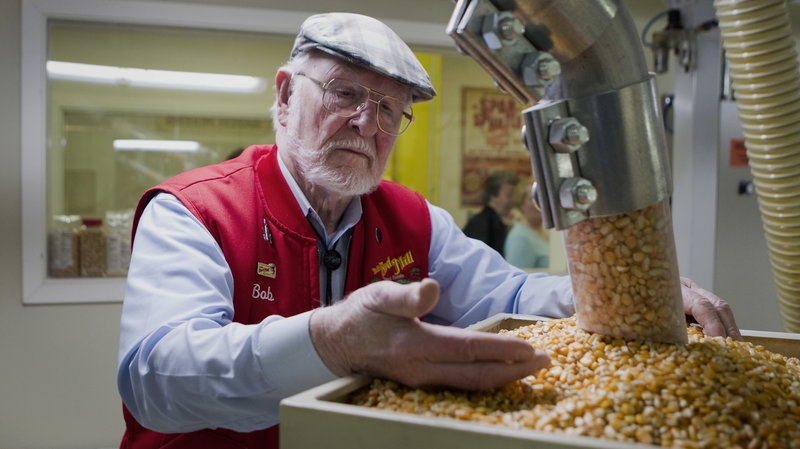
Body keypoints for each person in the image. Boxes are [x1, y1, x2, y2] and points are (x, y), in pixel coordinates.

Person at [116, 12, 741, 449]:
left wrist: (632, 292)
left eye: (391, 108)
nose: (367, 122)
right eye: (345, 92)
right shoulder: (194, 211)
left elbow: (513, 296)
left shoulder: (411, 218)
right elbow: (155, 378)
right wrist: (333, 342)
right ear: (284, 97)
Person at [463, 169, 519, 255]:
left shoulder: (495, 223)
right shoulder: (481, 225)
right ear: (493, 195)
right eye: (509, 195)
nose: (513, 201)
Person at [505, 182, 549, 269]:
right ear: (521, 204)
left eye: (543, 198)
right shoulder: (520, 237)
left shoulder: (545, 232)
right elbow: (518, 278)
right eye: (533, 199)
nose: (539, 204)